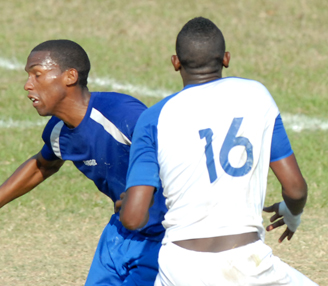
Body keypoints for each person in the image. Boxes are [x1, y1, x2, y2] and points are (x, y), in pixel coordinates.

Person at [0, 39, 167, 285]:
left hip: (162, 237)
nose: (27, 85)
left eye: (37, 74)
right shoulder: (58, 132)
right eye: (28, 76)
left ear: (70, 76)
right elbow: (42, 165)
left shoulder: (120, 113)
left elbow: (177, 153)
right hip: (119, 234)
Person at [120, 17, 317, 285]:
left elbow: (133, 218)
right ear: (226, 58)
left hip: (180, 267)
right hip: (248, 263)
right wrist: (292, 213)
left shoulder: (154, 118)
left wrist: (125, 205)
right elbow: (296, 189)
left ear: (175, 62)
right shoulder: (256, 95)